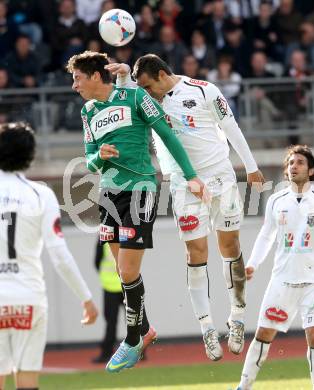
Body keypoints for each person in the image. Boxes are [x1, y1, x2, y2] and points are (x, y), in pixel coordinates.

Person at [110, 53, 264, 361]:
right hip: (183, 185)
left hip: (221, 177)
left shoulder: (204, 89)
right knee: (196, 253)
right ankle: (207, 328)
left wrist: (251, 166)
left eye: (148, 86)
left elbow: (230, 126)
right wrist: (123, 76)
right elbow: (123, 97)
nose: (147, 93)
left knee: (231, 246)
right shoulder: (146, 101)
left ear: (162, 74)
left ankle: (237, 316)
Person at [66, 51, 205, 373]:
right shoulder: (88, 111)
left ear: (96, 76)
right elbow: (89, 160)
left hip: (140, 188)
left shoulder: (135, 96)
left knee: (127, 272)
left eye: (77, 78)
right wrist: (99, 156)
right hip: (109, 193)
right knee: (121, 272)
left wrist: (190, 175)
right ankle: (145, 329)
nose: (74, 86)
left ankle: (132, 339)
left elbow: (167, 135)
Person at [0, 122, 98, 390]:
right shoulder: (40, 194)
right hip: (28, 297)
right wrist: (86, 298)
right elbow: (59, 255)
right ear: (30, 156)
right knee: (27, 380)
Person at [236, 145, 314, 390]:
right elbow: (266, 235)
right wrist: (252, 264)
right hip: (282, 280)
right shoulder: (276, 200)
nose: (294, 166)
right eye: (291, 163)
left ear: (311, 170)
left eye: (300, 162)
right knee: (263, 334)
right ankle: (244, 386)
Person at [92, 241, 124, 363]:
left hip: (109, 286)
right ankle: (140, 351)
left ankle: (106, 352)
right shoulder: (128, 233)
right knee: (134, 320)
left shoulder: (103, 237)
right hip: (127, 283)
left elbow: (97, 261)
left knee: (111, 322)